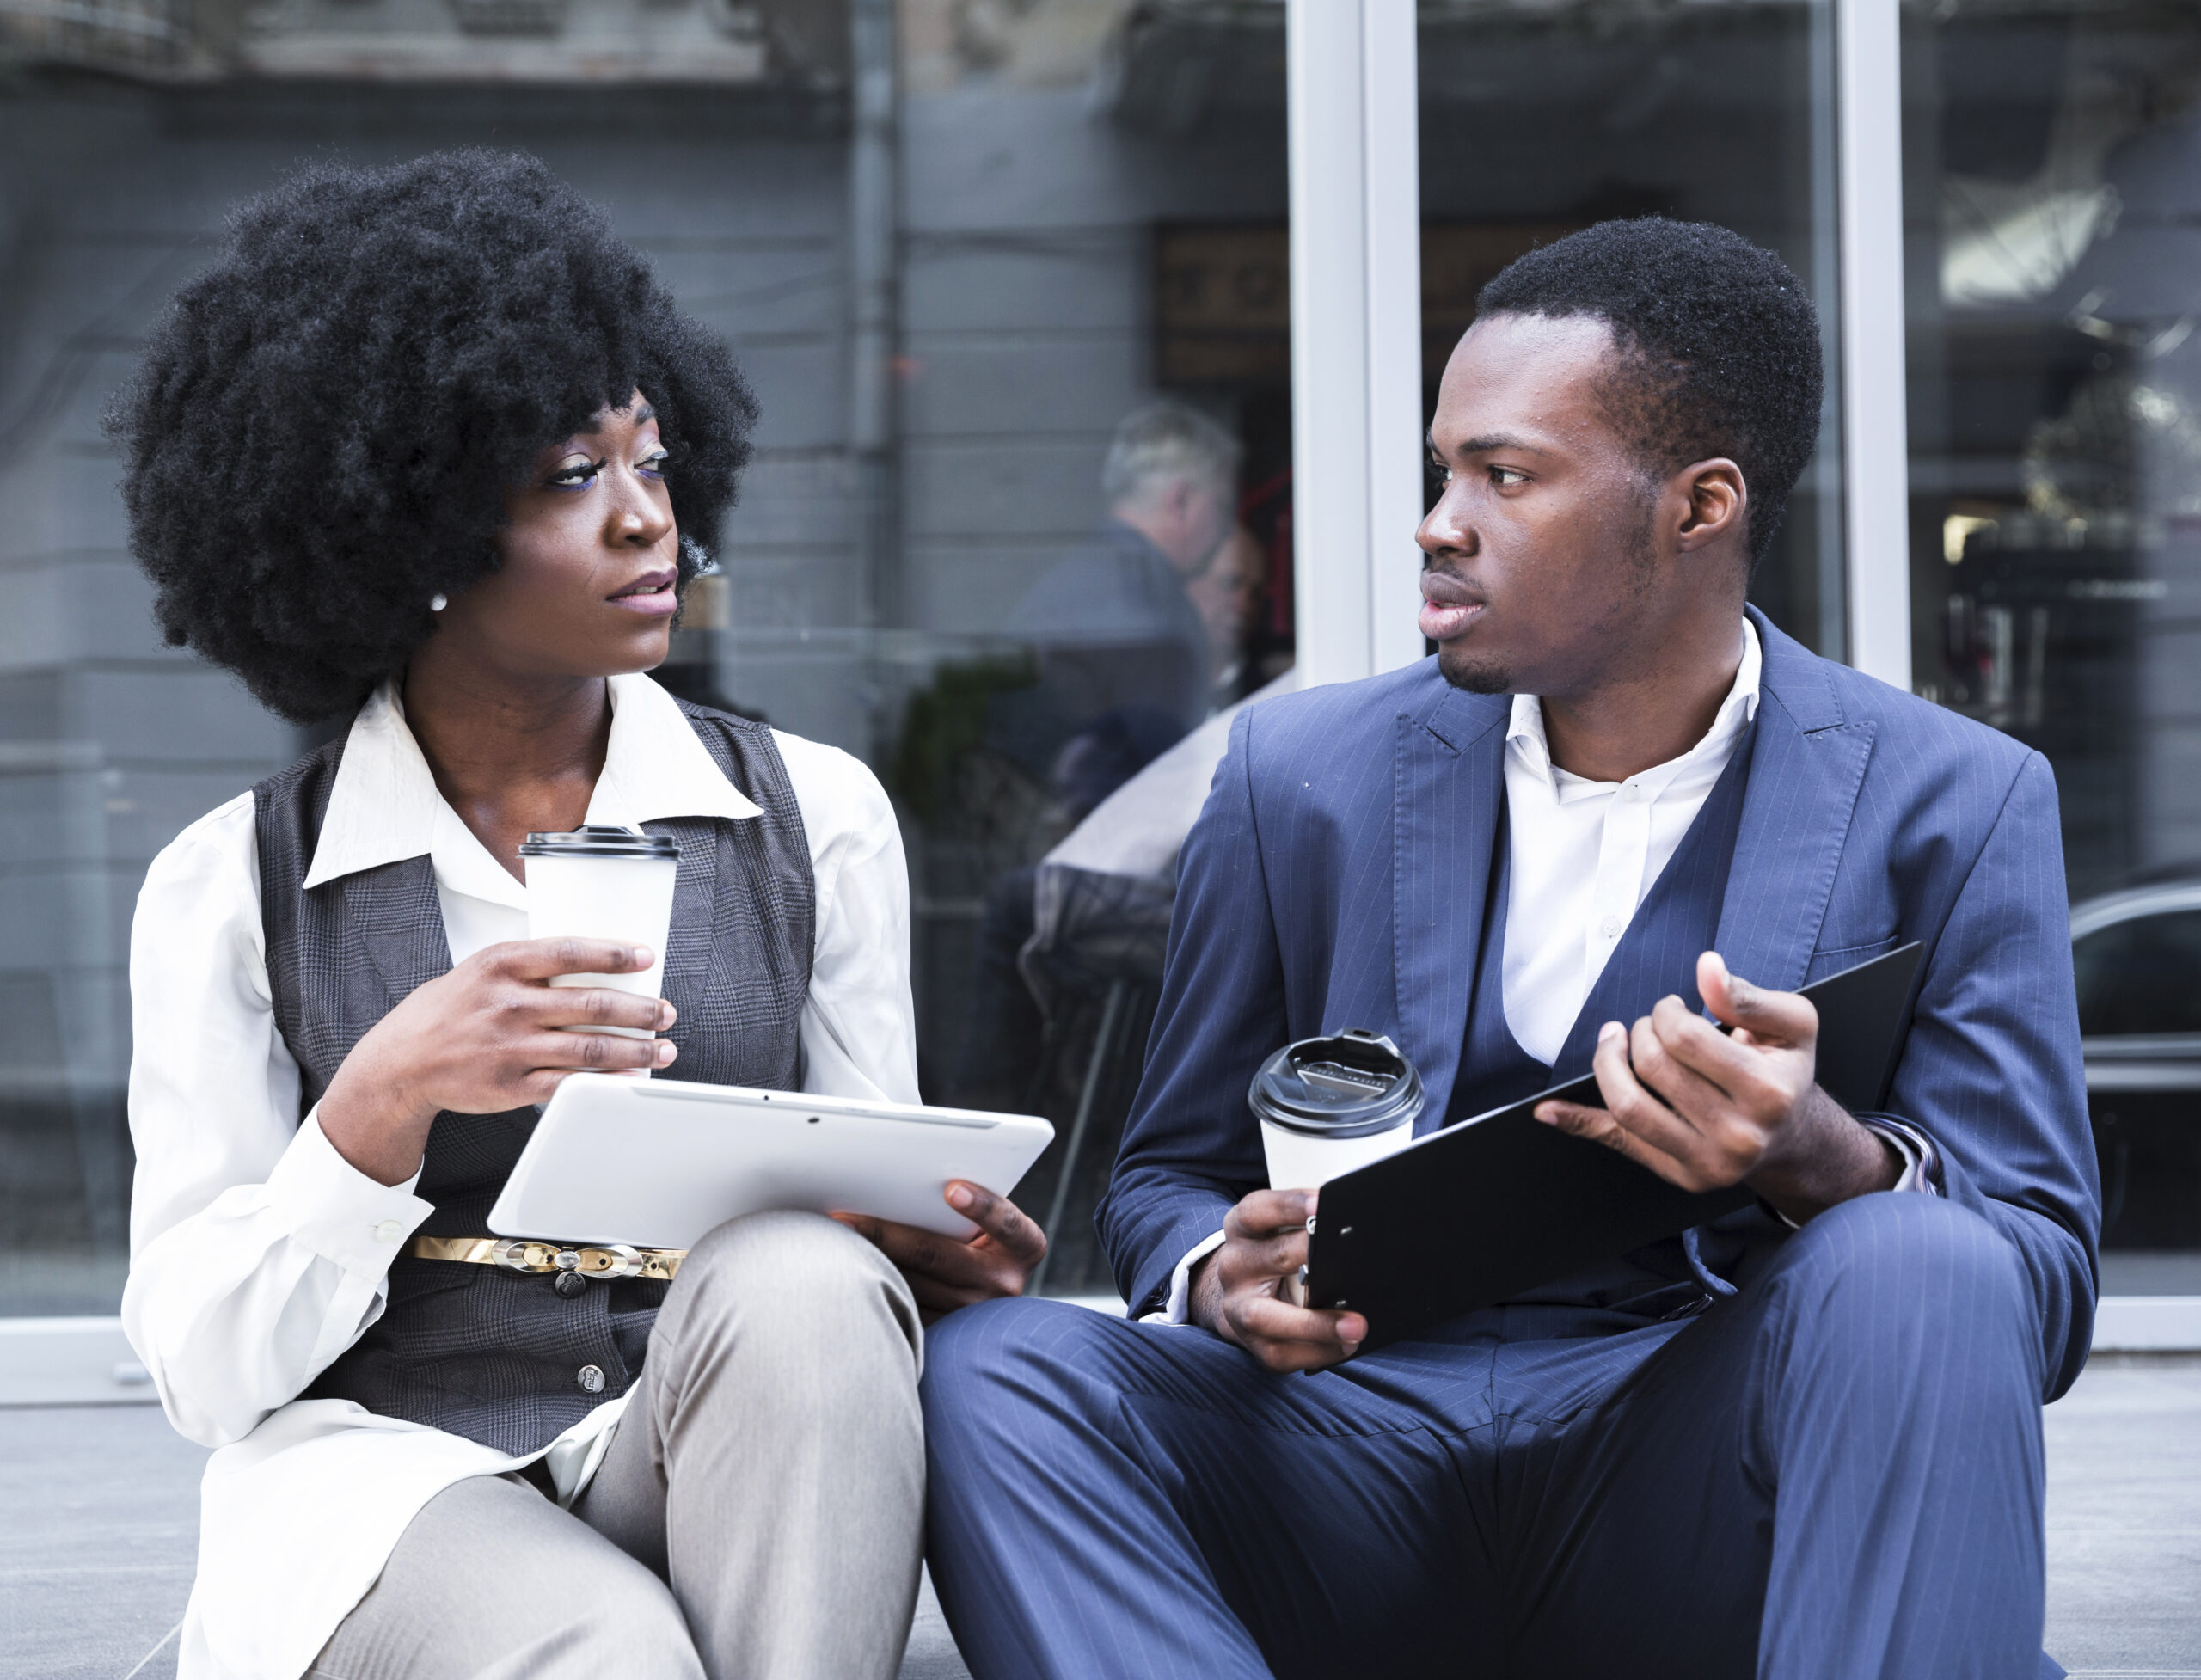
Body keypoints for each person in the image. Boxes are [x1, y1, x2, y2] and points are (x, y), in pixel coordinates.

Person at [920, 218, 2100, 1679]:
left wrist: (1822, 1158)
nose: (1439, 519)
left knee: (1924, 1262)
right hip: (1336, 1467)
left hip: (1693, 1494)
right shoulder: (1298, 774)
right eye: (1442, 469)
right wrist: (1212, 1277)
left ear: (1698, 505)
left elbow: (2035, 1285)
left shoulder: (1957, 801)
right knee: (993, 1371)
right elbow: (1164, 1175)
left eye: (1507, 475)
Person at [109, 150, 1045, 1680]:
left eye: (653, 463)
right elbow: (209, 1375)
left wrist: (922, 1253)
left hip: (701, 1444)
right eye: (570, 478)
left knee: (810, 1284)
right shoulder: (234, 883)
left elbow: (860, 1200)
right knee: (618, 1653)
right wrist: (383, 1098)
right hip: (386, 1481)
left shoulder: (815, 818)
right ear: (402, 533)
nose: (644, 523)